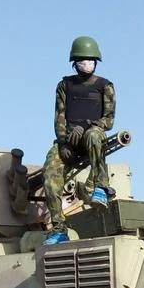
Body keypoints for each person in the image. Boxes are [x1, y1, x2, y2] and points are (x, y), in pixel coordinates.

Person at [43, 35, 116, 244]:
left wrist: (85, 125)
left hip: (92, 137)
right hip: (69, 143)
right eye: (83, 61)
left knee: (94, 136)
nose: (87, 64)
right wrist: (64, 144)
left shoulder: (105, 86)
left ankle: (100, 187)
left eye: (91, 60)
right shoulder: (64, 86)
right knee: (49, 175)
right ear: (75, 63)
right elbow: (59, 117)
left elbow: (108, 120)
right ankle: (58, 228)